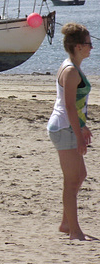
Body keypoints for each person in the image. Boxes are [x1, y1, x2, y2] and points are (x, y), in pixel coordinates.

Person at [47, 22, 93, 240]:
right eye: (88, 44)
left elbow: (75, 105)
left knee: (79, 175)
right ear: (78, 46)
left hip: (69, 125)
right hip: (64, 127)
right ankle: (74, 230)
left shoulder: (74, 67)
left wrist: (83, 127)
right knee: (72, 179)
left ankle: (67, 223)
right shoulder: (71, 71)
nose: (92, 47)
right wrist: (79, 135)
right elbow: (68, 107)